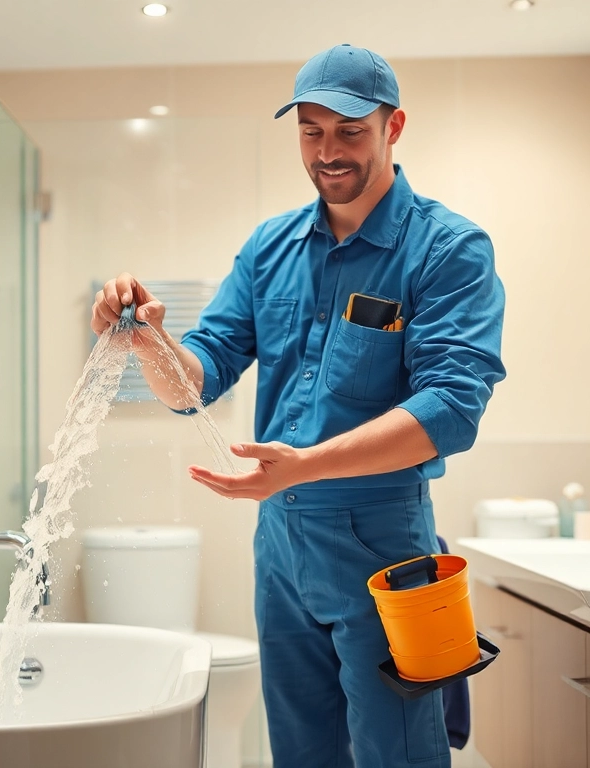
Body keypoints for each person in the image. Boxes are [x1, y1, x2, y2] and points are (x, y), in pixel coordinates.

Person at [90, 43, 505, 768]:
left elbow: (451, 408)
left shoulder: (447, 248)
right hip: (279, 545)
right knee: (301, 752)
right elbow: (202, 375)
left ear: (393, 126)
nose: (328, 151)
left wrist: (305, 466)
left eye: (350, 130)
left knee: (396, 753)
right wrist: (147, 341)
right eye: (311, 130)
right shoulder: (270, 247)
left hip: (384, 544)